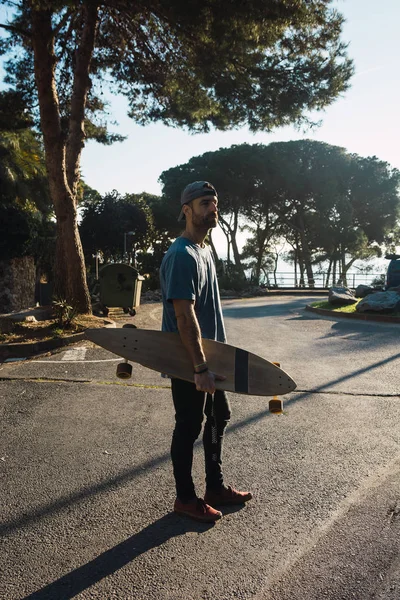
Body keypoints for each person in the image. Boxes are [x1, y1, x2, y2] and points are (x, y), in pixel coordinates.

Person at [160, 181, 252, 523]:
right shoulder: (182, 255)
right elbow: (184, 316)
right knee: (188, 425)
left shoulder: (205, 251)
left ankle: (215, 487)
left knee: (219, 417)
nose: (212, 208)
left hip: (212, 357)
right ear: (187, 210)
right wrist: (199, 367)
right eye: (204, 203)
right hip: (189, 361)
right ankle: (186, 498)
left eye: (214, 202)